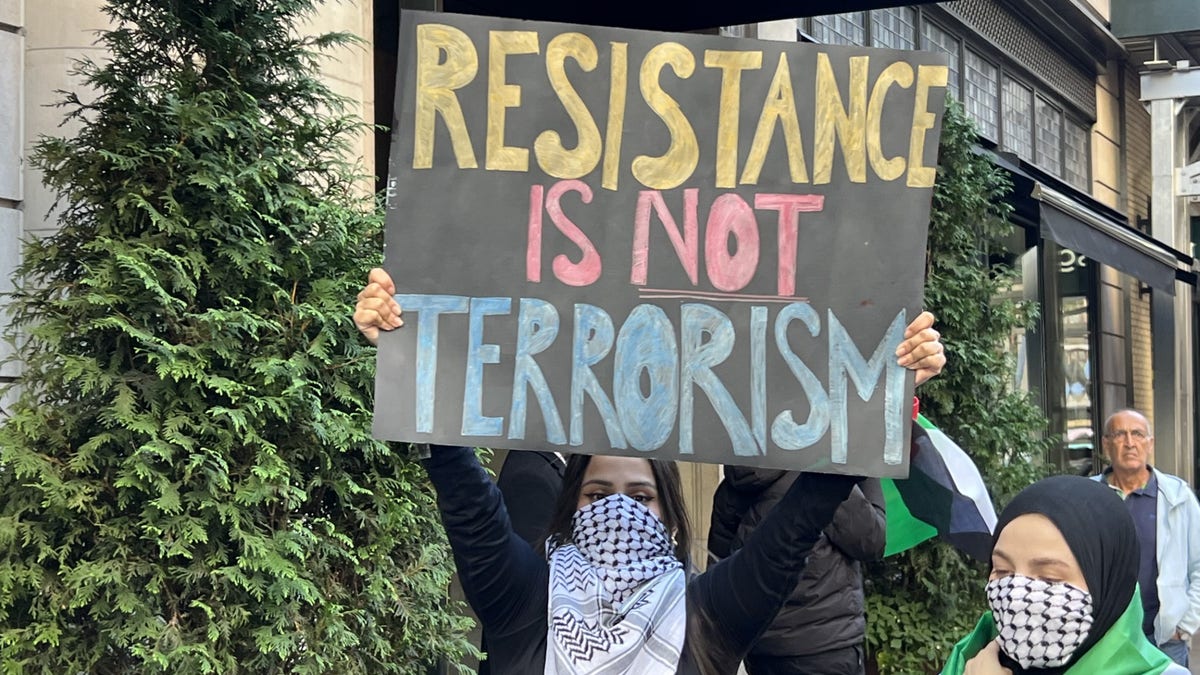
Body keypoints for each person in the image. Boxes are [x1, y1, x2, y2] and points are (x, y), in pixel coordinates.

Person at [354, 268, 947, 674]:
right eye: (597, 493)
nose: (618, 508)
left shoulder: (708, 615)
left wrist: (881, 395)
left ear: (668, 518)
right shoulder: (521, 601)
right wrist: (408, 350)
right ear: (567, 514)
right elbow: (468, 502)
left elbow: (796, 524)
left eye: (640, 495)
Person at [941, 475, 1189, 675]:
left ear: (1109, 585)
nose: (1016, 595)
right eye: (1003, 571)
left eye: (1050, 578)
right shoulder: (972, 660)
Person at [708, 470, 885, 675]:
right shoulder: (821, 477)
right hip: (826, 646)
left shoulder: (730, 489)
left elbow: (717, 575)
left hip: (760, 649)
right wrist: (869, 469)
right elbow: (872, 541)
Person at [1092, 408, 1200, 667]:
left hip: (1164, 640)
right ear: (1106, 444)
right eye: (1120, 434)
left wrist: (1184, 625)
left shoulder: (1178, 497)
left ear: (1150, 443)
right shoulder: (1089, 496)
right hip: (1105, 638)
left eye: (1138, 434)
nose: (1130, 443)